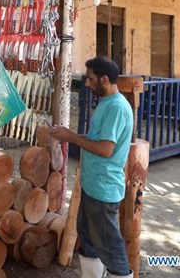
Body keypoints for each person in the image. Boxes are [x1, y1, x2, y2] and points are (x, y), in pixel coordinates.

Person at [48, 56, 133, 278]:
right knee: (87, 238)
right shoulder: (107, 103)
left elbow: (105, 149)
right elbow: (98, 139)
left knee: (110, 246)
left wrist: (71, 137)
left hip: (104, 189)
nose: (86, 83)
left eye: (90, 78)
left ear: (104, 80)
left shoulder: (116, 107)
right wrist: (69, 136)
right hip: (93, 185)